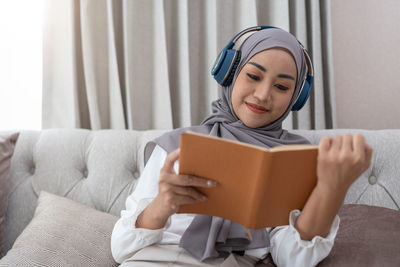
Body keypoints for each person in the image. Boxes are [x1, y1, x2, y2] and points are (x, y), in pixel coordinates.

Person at [111, 26, 373, 266]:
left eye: (281, 86)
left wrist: (331, 189)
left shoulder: (294, 159)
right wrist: (162, 204)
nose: (262, 95)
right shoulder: (174, 146)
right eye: (253, 75)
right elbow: (120, 247)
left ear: (296, 97)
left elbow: (294, 259)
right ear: (230, 73)